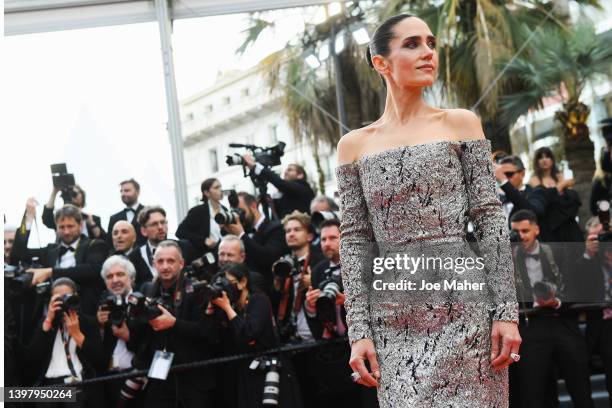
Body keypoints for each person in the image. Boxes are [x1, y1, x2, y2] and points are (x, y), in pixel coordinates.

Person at [335, 14, 521, 407]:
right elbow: (354, 243)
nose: (427, 53)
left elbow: (489, 219)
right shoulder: (353, 145)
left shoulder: (460, 123)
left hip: (466, 309)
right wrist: (359, 333)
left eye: (431, 44)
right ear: (381, 62)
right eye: (412, 44)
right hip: (393, 316)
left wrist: (506, 311)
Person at [508, 210, 594, 408]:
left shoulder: (558, 251)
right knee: (532, 392)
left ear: (536, 229)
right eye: (516, 232)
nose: (521, 236)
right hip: (531, 328)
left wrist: (556, 302)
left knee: (581, 389)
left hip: (562, 321)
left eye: (525, 230)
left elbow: (574, 288)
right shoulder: (509, 259)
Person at [135, 240, 220, 408]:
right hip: (159, 375)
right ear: (154, 263)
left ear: (181, 263)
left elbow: (209, 333)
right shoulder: (147, 290)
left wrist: (174, 323)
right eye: (160, 261)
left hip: (193, 376)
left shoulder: (197, 290)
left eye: (170, 261)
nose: (165, 266)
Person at [211, 262, 303, 408]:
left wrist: (227, 308)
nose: (225, 288)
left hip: (270, 370)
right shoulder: (234, 307)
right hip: (247, 373)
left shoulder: (258, 299)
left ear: (242, 282)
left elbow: (249, 333)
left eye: (228, 283)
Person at [25, 278, 106, 408]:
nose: (64, 302)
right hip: (49, 388)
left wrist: (77, 334)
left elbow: (100, 360)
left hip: (78, 384)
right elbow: (31, 359)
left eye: (67, 297)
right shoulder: (46, 323)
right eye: (58, 299)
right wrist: (48, 322)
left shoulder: (88, 322)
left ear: (76, 297)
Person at [222, 191, 288, 293]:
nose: (238, 216)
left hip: (266, 291)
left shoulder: (276, 228)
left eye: (240, 211)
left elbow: (268, 257)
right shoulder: (240, 231)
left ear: (253, 206)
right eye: (234, 212)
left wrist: (241, 235)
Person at [242, 155, 315, 219]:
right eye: (286, 170)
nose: (286, 172)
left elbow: (280, 183)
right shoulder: (286, 193)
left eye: (290, 170)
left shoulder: (303, 187)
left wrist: (255, 167)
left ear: (300, 175)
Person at [176, 178, 227, 257]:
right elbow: (180, 231)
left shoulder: (225, 210)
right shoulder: (198, 211)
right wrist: (204, 240)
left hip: (224, 254)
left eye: (220, 187)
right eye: (216, 188)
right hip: (206, 256)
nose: (221, 190)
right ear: (206, 193)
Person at [107, 179, 146, 246]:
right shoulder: (114, 218)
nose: (123, 194)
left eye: (127, 190)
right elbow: (110, 243)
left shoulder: (149, 213)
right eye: (121, 191)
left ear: (138, 192)